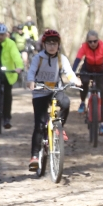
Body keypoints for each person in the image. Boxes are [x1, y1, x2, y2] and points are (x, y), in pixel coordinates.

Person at [26, 29, 80, 171]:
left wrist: (75, 80)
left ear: (58, 45)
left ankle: (59, 127)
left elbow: (69, 72)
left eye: (54, 43)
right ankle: (34, 157)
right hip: (40, 92)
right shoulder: (38, 58)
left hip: (56, 89)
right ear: (44, 45)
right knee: (39, 125)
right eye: (49, 43)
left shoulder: (62, 59)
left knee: (66, 103)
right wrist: (31, 81)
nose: (52, 46)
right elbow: (31, 72)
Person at [71, 30, 103, 136]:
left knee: (102, 97)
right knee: (84, 82)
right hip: (87, 69)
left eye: (95, 41)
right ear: (87, 42)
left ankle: (102, 125)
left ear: (98, 40)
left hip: (100, 70)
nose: (92, 44)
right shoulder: (84, 47)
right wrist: (72, 71)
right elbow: (78, 59)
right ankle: (83, 102)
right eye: (90, 42)